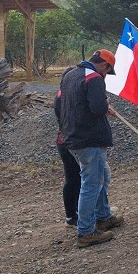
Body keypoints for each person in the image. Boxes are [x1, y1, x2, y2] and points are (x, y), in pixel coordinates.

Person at [55, 49, 124, 248]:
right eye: (107, 72)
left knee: (101, 176)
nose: (105, 76)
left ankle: (103, 216)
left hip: (71, 136)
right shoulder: (93, 78)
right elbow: (97, 108)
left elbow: (60, 103)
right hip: (88, 139)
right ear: (105, 65)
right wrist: (104, 104)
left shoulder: (70, 74)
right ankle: (85, 231)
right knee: (91, 183)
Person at [54, 66, 81, 227]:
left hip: (65, 140)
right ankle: (72, 215)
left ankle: (74, 214)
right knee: (74, 179)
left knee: (74, 179)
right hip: (69, 141)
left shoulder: (62, 95)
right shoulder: (64, 97)